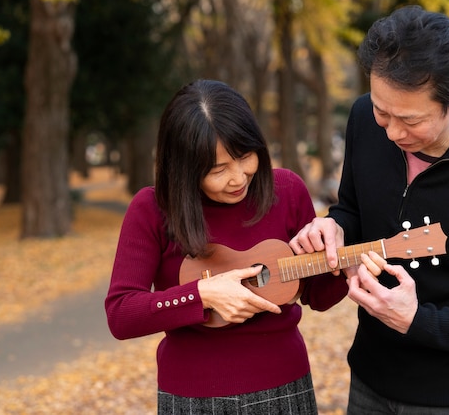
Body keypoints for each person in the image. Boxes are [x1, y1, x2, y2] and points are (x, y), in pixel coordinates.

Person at [289, 5, 449, 415]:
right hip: (368, 378)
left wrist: (416, 320)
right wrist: (334, 227)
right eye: (381, 111)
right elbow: (351, 208)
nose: (390, 131)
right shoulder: (362, 120)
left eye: (409, 119)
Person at [105, 79, 348, 413]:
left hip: (285, 386)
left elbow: (319, 296)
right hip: (192, 397)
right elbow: (121, 314)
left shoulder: (287, 190)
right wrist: (201, 295)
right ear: (184, 170)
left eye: (245, 156)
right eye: (218, 170)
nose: (238, 178)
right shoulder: (151, 209)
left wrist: (341, 262)